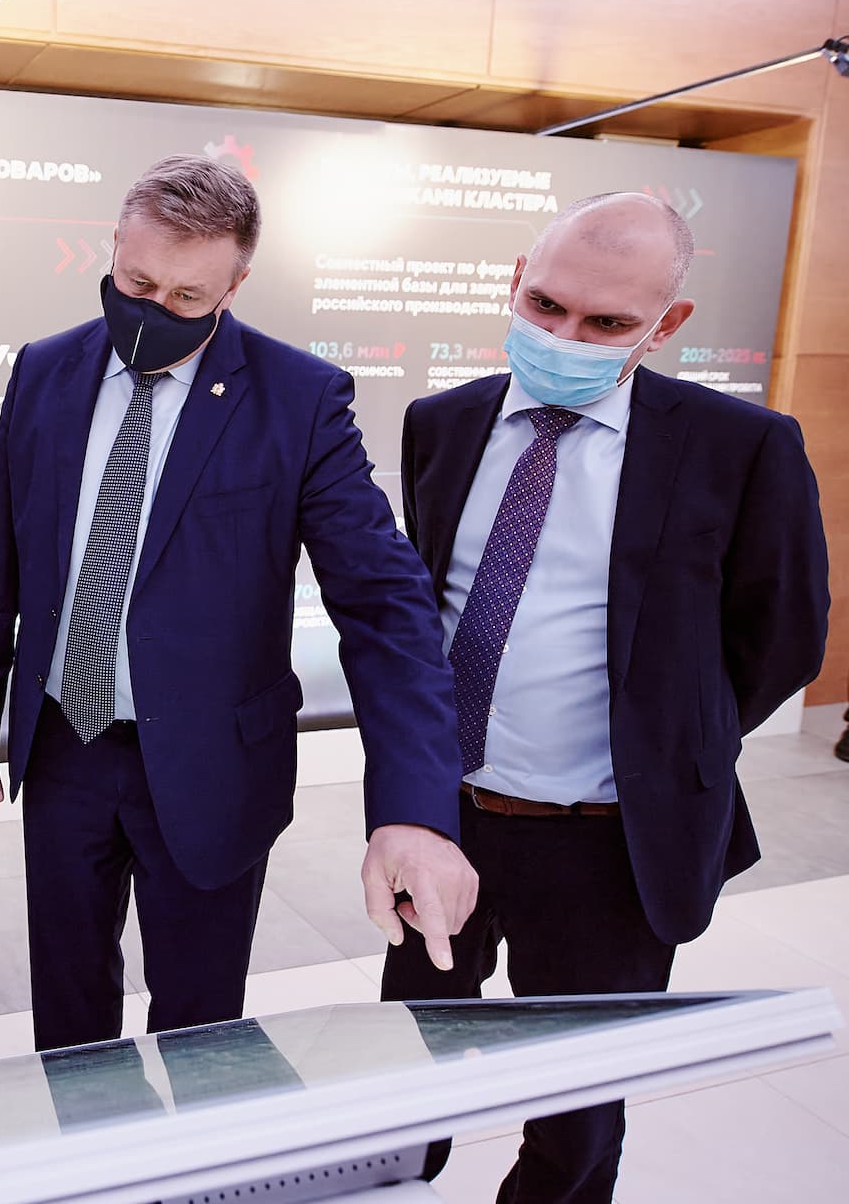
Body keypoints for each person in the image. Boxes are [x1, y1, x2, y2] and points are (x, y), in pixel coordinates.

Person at [0, 154, 478, 1054]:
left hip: (213, 764)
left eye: (188, 297)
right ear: (114, 247)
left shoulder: (299, 398)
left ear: (236, 285)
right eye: (136, 283)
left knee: (199, 1022)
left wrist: (415, 805)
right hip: (65, 743)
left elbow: (385, 606)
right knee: (67, 1009)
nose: (154, 309)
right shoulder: (46, 369)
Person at [382, 191, 828, 1203]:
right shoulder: (441, 423)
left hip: (608, 843)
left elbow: (781, 637)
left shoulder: (740, 448)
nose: (564, 338)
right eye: (545, 305)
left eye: (607, 322)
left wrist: (665, 745)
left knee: (577, 1105)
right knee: (408, 1053)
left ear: (667, 323)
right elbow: (428, 602)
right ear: (515, 279)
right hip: (443, 816)